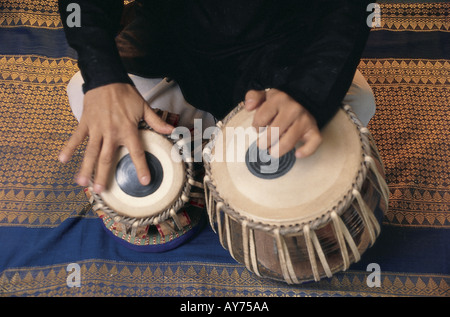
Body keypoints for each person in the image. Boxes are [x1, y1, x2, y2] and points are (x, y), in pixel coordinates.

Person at [58, 0, 376, 195]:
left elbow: (347, 7)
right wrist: (103, 76)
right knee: (83, 91)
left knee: (357, 102)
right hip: (172, 46)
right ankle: (226, 149)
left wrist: (307, 92)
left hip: (278, 54)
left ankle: (194, 149)